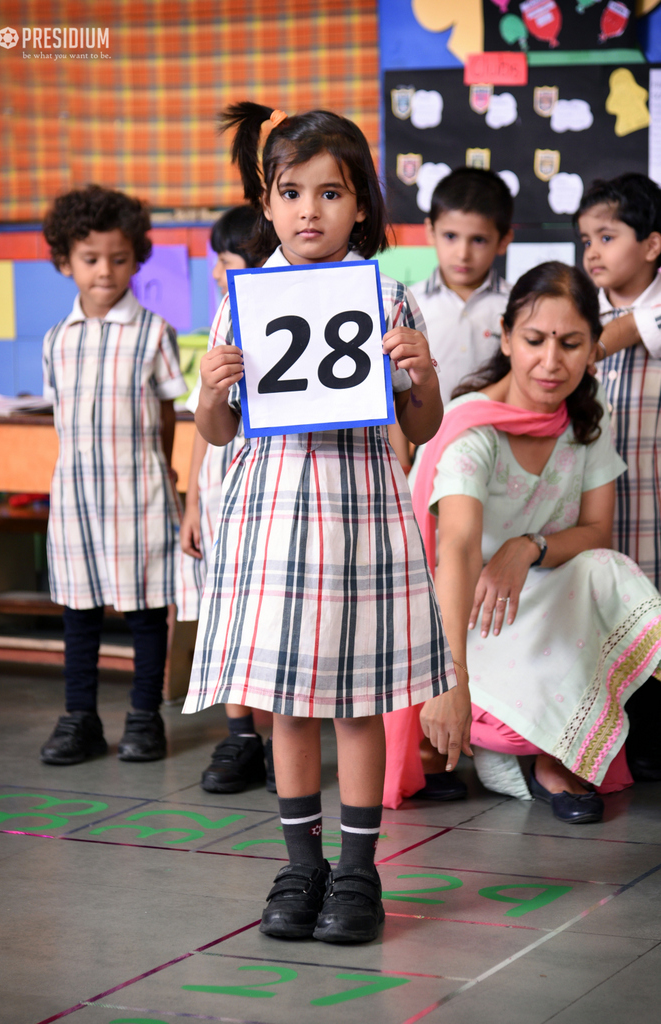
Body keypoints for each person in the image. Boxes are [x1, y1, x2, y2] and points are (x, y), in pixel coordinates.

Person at [183, 101, 454, 943]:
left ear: (362, 206)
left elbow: (421, 426)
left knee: (356, 704)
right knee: (287, 706)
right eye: (291, 192)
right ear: (266, 205)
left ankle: (360, 871)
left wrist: (422, 374)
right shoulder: (242, 301)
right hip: (271, 524)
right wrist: (212, 391)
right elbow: (217, 431)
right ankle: (302, 866)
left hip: (360, 520)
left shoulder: (389, 295)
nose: (310, 210)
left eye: (331, 193)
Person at [383, 262, 661, 821]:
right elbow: (456, 550)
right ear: (506, 338)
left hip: (541, 606)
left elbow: (595, 531)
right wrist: (449, 679)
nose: (552, 362)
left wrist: (526, 546)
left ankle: (546, 760)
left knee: (605, 568)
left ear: (592, 348)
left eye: (571, 343)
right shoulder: (472, 428)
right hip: (464, 616)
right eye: (535, 340)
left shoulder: (587, 414)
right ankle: (504, 748)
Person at [39, 184, 186, 765]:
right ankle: (80, 719)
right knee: (79, 613)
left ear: (136, 258)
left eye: (119, 259)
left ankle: (145, 718)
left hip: (140, 495)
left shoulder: (153, 334)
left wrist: (163, 474)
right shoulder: (57, 341)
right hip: (75, 500)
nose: (105, 271)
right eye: (90, 259)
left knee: (147, 613)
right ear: (64, 261)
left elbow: (170, 415)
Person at [178, 204, 276, 794]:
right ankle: (240, 737)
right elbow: (201, 422)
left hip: (265, 497)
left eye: (227, 261)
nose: (218, 273)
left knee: (265, 622)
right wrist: (191, 502)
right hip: (220, 498)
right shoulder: (225, 320)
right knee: (229, 618)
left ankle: (271, 740)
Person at [576, 174, 661, 592]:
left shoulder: (586, 335)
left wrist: (587, 348)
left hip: (653, 522)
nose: (592, 252)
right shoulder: (576, 316)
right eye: (586, 240)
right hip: (586, 530)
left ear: (651, 245)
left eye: (607, 237)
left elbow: (637, 327)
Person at [411, 167, 513, 407]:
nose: (463, 254)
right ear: (430, 231)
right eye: (450, 236)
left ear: (503, 241)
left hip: (499, 438)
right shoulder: (409, 303)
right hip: (428, 442)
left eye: (478, 240)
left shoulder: (518, 305)